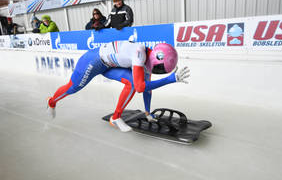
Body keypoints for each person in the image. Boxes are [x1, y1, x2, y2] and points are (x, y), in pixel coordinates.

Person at [46, 42, 190, 132]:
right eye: (159, 69)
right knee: (73, 87)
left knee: (133, 83)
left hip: (109, 65)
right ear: (156, 58)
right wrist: (170, 79)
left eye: (162, 71)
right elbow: (141, 87)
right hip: (93, 60)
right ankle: (52, 102)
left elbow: (147, 89)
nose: (157, 72)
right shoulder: (139, 54)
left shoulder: (147, 62)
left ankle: (116, 117)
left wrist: (148, 113)